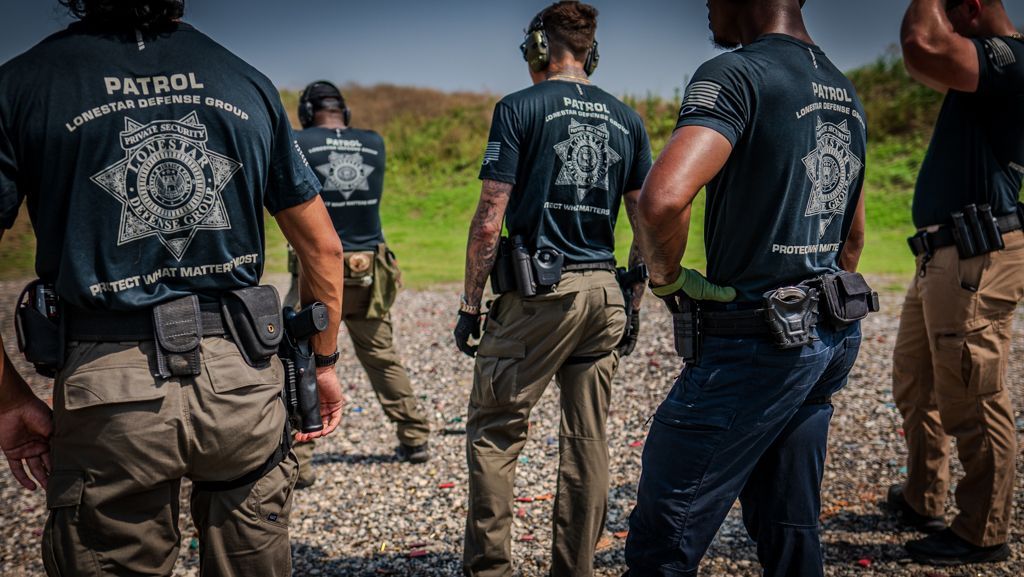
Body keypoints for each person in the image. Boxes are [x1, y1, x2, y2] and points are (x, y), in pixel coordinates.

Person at [0, 1, 346, 575]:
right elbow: (324, 250)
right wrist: (324, 363)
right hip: (241, 383)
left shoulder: (23, 83)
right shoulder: (246, 82)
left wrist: (10, 399)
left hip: (108, 396)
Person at [623, 1, 869, 576]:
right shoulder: (843, 89)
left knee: (666, 530)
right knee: (789, 526)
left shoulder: (735, 74)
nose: (706, 7)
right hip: (828, 333)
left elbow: (662, 201)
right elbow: (851, 238)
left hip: (754, 341)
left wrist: (668, 280)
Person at [453, 2, 652, 575]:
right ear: (592, 51)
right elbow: (645, 222)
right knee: (588, 439)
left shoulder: (518, 108)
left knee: (495, 429)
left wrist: (471, 304)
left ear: (539, 48)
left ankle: (490, 569)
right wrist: (632, 303)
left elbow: (491, 216)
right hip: (604, 296)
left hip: (542, 294)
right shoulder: (628, 119)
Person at [887, 0, 1023, 566]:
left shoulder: (1012, 58)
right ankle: (924, 497)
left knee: (973, 390)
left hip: (976, 253)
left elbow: (923, 45)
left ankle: (983, 531)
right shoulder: (994, 68)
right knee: (917, 383)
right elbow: (929, 54)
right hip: (946, 253)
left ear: (968, 7)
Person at [289, 81, 432, 483]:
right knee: (382, 358)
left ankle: (302, 456)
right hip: (370, 266)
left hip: (317, 270)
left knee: (304, 359)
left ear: (306, 112)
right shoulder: (374, 142)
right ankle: (415, 435)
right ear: (344, 112)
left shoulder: (298, 141)